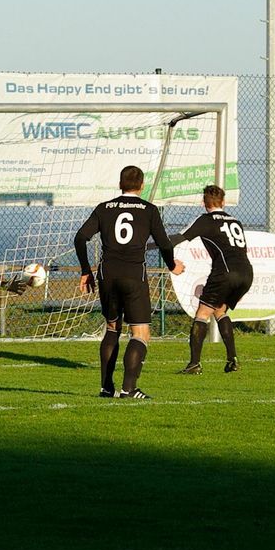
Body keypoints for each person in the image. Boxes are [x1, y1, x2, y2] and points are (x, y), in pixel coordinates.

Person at [73, 165, 184, 400]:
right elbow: (164, 243)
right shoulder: (149, 210)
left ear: (120, 184)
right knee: (141, 332)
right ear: (142, 185)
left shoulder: (104, 208)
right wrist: (172, 264)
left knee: (112, 327)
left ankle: (106, 387)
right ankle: (129, 389)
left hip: (107, 275)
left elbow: (80, 237)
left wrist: (86, 270)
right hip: (134, 275)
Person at [168, 185, 254, 374]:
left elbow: (179, 239)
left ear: (203, 203)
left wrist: (152, 243)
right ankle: (233, 359)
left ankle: (194, 364)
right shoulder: (235, 222)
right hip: (247, 272)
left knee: (202, 313)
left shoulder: (205, 220)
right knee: (219, 310)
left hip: (225, 272)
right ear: (223, 202)